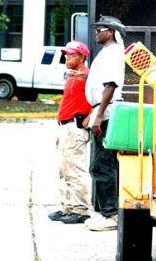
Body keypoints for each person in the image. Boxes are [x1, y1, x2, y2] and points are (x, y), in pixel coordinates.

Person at [83, 15, 126, 231]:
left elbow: (110, 85)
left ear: (110, 32)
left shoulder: (113, 52)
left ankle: (110, 215)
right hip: (101, 109)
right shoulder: (109, 52)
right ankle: (105, 212)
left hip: (106, 111)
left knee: (102, 164)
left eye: (99, 29)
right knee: (102, 163)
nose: (96, 32)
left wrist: (98, 116)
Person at [48, 40, 92, 225]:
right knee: (64, 168)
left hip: (75, 126)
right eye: (66, 54)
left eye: (71, 54)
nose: (67, 57)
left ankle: (80, 209)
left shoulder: (87, 76)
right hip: (65, 126)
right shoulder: (73, 76)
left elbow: (98, 96)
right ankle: (67, 206)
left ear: (82, 57)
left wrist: (90, 115)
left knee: (74, 168)